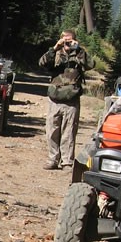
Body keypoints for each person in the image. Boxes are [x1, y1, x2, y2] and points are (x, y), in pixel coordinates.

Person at [38, 29, 95, 170]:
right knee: (52, 130)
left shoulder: (79, 54)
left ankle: (67, 162)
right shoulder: (55, 53)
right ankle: (52, 159)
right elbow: (42, 63)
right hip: (55, 97)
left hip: (71, 99)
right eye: (65, 39)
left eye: (70, 40)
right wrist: (55, 47)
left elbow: (91, 65)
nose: (67, 42)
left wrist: (79, 49)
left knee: (69, 132)